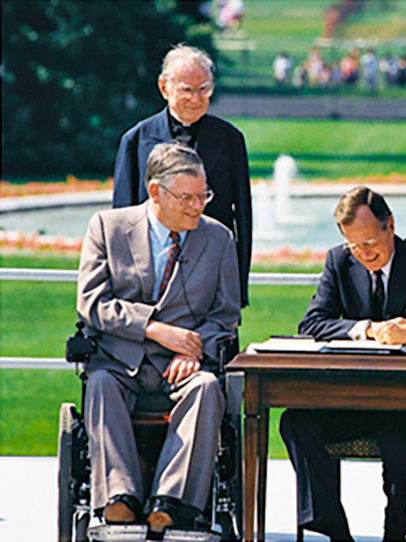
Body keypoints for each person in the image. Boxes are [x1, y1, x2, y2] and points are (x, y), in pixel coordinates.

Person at [280, 186, 406, 542]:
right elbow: (312, 323)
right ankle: (334, 530)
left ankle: (396, 529)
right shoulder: (338, 261)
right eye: (355, 246)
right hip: (352, 399)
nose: (365, 254)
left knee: (400, 428)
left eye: (371, 243)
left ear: (389, 225)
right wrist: (367, 329)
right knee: (297, 422)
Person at [77, 143, 241, 532]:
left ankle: (171, 503)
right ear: (155, 192)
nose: (197, 206)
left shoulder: (218, 239)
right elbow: (92, 303)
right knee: (99, 383)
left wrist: (196, 348)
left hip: (184, 366)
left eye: (204, 195)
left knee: (205, 388)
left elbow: (226, 315)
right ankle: (120, 498)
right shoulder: (108, 227)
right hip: (121, 360)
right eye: (187, 197)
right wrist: (153, 329)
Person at [112, 44, 252, 307]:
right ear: (164, 88)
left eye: (204, 90)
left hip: (211, 279)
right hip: (148, 284)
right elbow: (121, 222)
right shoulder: (135, 141)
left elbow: (243, 218)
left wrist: (237, 289)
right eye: (186, 90)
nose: (196, 99)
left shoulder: (231, 139)